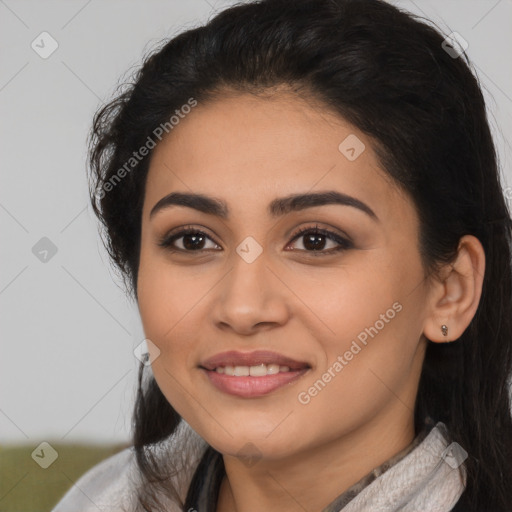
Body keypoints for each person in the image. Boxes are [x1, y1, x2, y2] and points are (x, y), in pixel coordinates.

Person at [51, 0, 512, 511]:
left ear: (450, 290)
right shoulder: (93, 498)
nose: (242, 308)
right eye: (192, 239)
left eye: (316, 240)